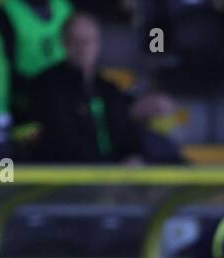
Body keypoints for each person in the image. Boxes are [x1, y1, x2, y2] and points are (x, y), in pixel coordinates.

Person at [27, 12, 144, 163]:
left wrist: (133, 157)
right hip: (70, 176)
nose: (83, 48)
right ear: (65, 43)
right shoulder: (46, 86)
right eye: (77, 41)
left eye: (89, 41)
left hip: (114, 175)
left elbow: (125, 134)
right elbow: (59, 139)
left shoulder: (108, 89)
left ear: (98, 44)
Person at [0, 0, 73, 131]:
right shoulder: (3, 12)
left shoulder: (64, 6)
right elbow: (2, 68)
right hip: (26, 94)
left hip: (66, 87)